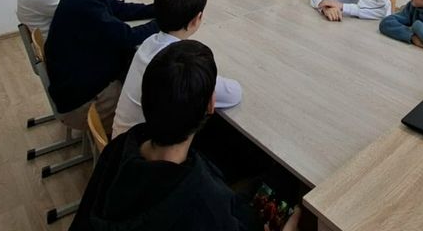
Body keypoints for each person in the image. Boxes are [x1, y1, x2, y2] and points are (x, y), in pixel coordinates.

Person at [71, 40, 300, 231]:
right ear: (211, 105)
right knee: (286, 177)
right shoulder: (203, 203)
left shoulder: (121, 146)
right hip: (214, 207)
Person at [44, 0, 159, 135]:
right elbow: (127, 37)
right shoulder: (84, 4)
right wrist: (164, 21)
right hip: (83, 102)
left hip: (80, 83)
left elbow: (120, 9)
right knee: (155, 96)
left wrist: (159, 8)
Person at [113, 0, 242, 138]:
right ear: (197, 19)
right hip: (141, 147)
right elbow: (233, 93)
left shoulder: (149, 42)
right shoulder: (178, 64)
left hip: (122, 139)